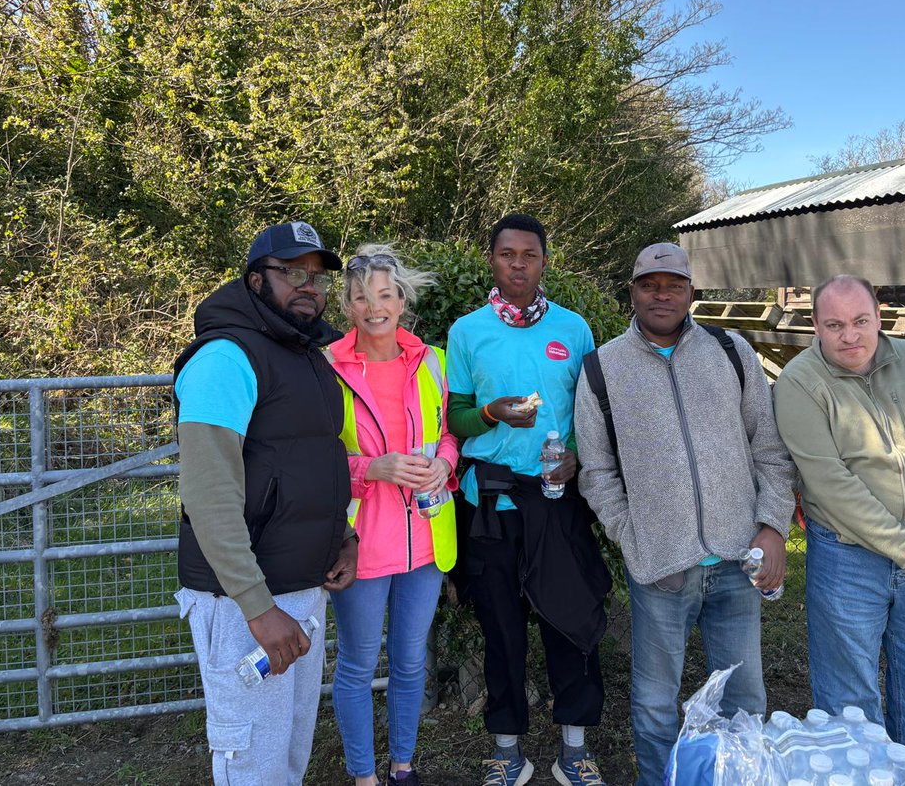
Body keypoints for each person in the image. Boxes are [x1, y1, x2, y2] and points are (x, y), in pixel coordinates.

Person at [574, 243, 798, 786]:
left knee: (744, 699)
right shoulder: (602, 368)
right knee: (655, 704)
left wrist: (772, 526)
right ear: (632, 292)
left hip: (736, 561)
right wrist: (635, 537)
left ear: (691, 291)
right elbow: (596, 472)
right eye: (650, 285)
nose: (662, 294)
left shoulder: (731, 350)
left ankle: (743, 778)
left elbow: (769, 447)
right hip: (661, 569)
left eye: (673, 284)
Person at [773, 274, 905, 785]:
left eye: (860, 321)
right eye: (834, 325)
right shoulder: (799, 383)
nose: (850, 335)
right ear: (816, 328)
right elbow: (829, 482)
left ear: (879, 318)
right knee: (849, 701)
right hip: (848, 559)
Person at [173, 221, 358, 786]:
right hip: (243, 604)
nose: (309, 287)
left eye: (318, 277)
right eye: (292, 273)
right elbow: (209, 495)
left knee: (287, 755)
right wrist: (256, 606)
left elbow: (318, 462)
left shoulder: (306, 356)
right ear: (256, 281)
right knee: (251, 760)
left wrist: (343, 538)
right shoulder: (226, 358)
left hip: (298, 588)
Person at [446, 213, 612, 786]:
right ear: (491, 259)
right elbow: (457, 417)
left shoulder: (575, 328)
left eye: (529, 255)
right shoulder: (468, 332)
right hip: (491, 504)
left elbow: (594, 417)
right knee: (501, 630)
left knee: (570, 620)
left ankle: (574, 750)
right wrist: (491, 413)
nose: (518, 264)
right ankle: (507, 749)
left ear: (545, 262)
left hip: (556, 499)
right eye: (507, 254)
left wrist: (578, 459)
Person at [325, 245, 460, 786]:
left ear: (402, 299)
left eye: (384, 294)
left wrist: (444, 463)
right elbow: (317, 455)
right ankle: (363, 775)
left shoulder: (433, 361)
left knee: (409, 663)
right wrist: (370, 468)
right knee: (357, 666)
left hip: (426, 540)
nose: (373, 307)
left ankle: (402, 767)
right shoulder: (328, 366)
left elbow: (447, 434)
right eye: (360, 297)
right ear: (348, 306)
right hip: (360, 543)